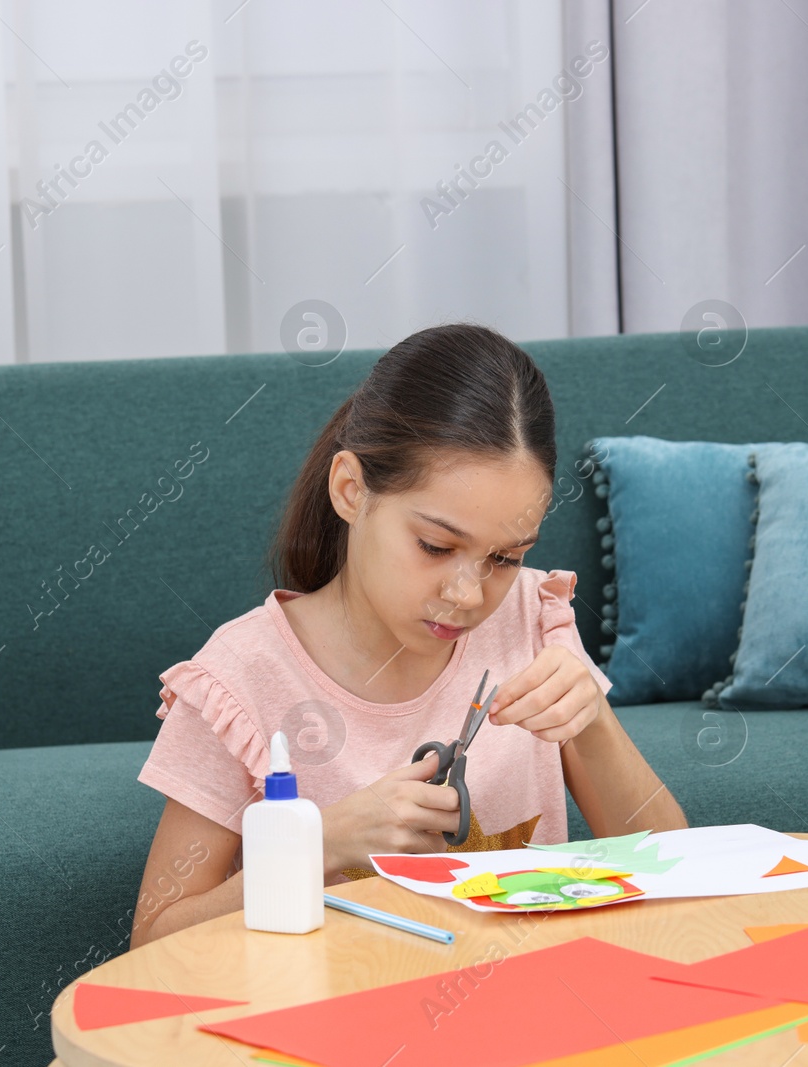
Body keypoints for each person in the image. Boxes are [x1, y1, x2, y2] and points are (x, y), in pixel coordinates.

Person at [128, 322, 686, 948]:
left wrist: (594, 723)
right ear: (351, 491)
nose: (469, 594)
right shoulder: (241, 678)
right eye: (436, 546)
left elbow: (677, 870)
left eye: (505, 557)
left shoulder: (533, 615)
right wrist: (322, 841)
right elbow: (153, 942)